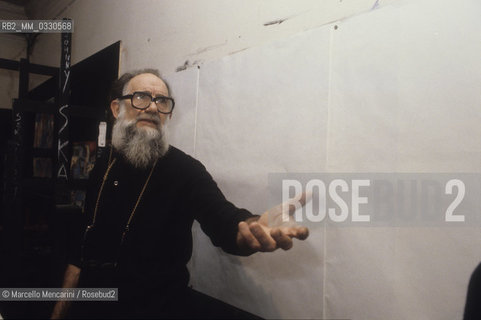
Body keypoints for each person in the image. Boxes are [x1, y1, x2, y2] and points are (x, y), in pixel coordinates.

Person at [51, 69, 309, 319]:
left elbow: (224, 220)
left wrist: (252, 226)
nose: (153, 107)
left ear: (168, 116)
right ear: (117, 108)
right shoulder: (103, 164)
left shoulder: (186, 170)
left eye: (161, 101)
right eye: (141, 97)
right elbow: (79, 253)